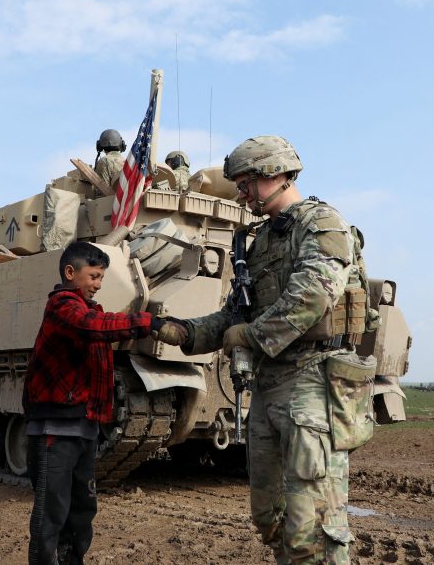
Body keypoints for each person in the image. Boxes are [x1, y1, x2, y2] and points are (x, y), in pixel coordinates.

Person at [154, 135, 374, 564]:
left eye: (246, 183)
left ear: (275, 173)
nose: (241, 194)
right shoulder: (260, 243)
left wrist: (250, 338)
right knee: (269, 517)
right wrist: (183, 332)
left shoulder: (322, 223)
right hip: (270, 386)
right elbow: (236, 314)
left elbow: (312, 297)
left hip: (314, 382)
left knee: (313, 528)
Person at [23, 240, 168, 565]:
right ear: (70, 272)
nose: (98, 284)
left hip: (83, 428)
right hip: (55, 429)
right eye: (93, 276)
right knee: (51, 513)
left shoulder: (92, 312)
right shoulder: (63, 306)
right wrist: (149, 323)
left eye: (102, 277)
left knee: (82, 511)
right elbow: (92, 327)